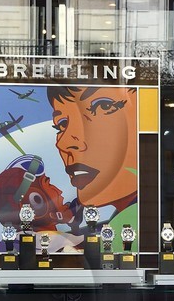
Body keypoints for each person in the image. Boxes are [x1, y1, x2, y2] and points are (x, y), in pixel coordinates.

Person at [46, 85, 139, 235]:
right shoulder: (122, 223)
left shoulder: (140, 224)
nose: (64, 143)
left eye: (103, 106)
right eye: (62, 124)